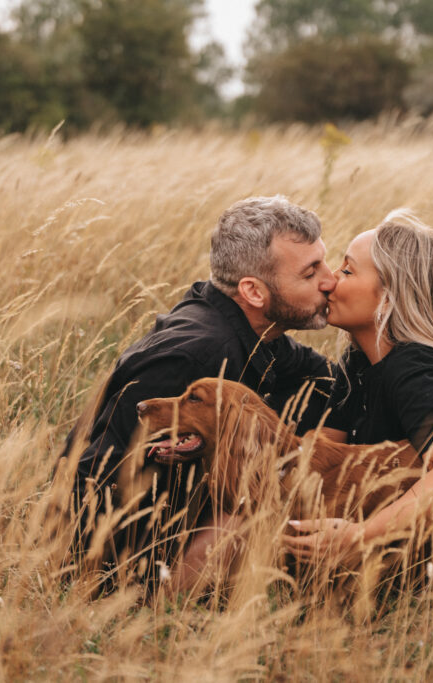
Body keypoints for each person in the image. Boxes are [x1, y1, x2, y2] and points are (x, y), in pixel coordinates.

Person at [63, 195, 337, 575]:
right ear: (254, 292)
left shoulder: (257, 333)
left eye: (325, 262)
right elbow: (94, 478)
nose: (331, 280)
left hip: (172, 531)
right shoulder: (196, 356)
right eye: (310, 273)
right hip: (127, 558)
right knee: (256, 510)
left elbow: (327, 382)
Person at [283, 208, 433, 565]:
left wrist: (358, 537)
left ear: (391, 298)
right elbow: (321, 460)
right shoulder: (360, 365)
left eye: (347, 270)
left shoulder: (412, 369)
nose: (330, 281)